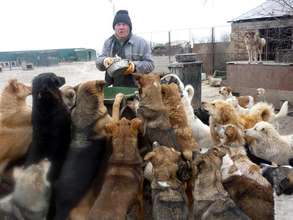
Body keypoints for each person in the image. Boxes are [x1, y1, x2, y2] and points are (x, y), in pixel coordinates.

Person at [96, 10, 154, 87]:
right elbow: (98, 63)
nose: (121, 27)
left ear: (129, 27)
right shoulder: (108, 42)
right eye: (118, 24)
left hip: (136, 88)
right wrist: (105, 61)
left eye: (124, 24)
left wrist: (134, 66)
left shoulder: (142, 43)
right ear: (114, 27)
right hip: (112, 87)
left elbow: (150, 65)